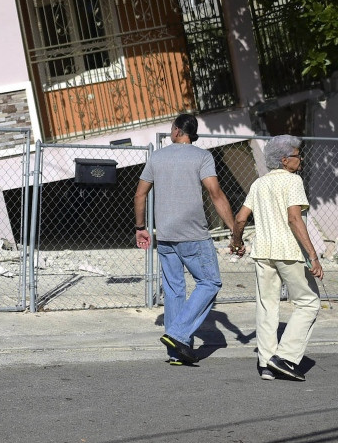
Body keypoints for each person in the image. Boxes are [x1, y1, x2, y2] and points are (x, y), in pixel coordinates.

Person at [135, 114, 237, 366]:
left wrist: (140, 227)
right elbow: (215, 193)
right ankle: (178, 335)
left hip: (167, 235)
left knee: (173, 290)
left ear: (178, 130)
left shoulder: (157, 157)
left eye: (171, 128)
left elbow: (140, 194)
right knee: (210, 281)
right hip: (193, 234)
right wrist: (234, 229)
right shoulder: (202, 157)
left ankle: (176, 352)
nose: (171, 131)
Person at [229, 135, 324, 382]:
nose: (300, 159)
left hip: (263, 253)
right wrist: (313, 256)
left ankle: (266, 364)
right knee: (309, 302)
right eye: (296, 155)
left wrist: (236, 243)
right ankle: (286, 357)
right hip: (289, 252)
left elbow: (240, 219)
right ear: (284, 160)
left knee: (267, 306)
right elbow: (294, 219)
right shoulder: (293, 181)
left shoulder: (259, 184)